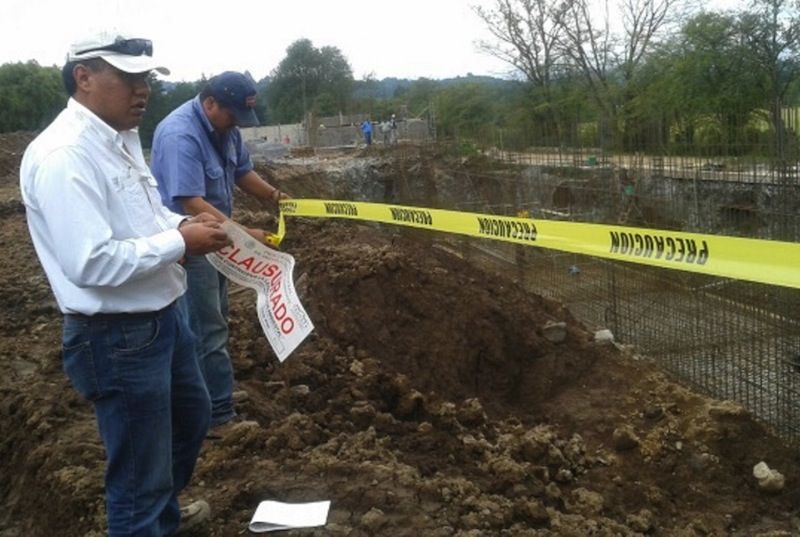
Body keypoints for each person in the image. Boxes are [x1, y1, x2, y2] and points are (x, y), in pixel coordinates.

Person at [19, 31, 231, 536]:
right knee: (138, 473)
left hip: (162, 317)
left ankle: (161, 516)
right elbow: (90, 263)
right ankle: (145, 520)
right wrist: (181, 245)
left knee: (191, 419)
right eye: (129, 77)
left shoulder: (118, 139)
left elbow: (142, 213)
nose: (143, 90)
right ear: (84, 78)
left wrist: (179, 226)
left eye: (146, 79)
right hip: (117, 337)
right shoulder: (65, 156)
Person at [150, 71, 289, 431]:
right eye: (232, 117)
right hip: (191, 244)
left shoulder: (226, 129)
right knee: (204, 326)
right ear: (209, 103)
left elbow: (242, 172)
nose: (235, 126)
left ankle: (213, 390)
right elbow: (189, 200)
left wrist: (275, 197)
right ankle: (215, 416)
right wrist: (245, 234)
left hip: (217, 238)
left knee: (216, 317)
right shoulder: (182, 135)